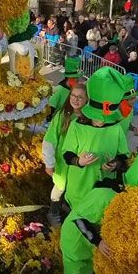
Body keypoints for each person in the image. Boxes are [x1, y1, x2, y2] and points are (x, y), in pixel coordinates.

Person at [58, 69, 131, 208]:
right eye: (97, 116)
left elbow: (123, 156)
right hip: (78, 188)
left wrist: (115, 164)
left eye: (105, 118)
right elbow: (67, 153)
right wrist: (79, 161)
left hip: (103, 190)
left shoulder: (116, 128)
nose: (101, 121)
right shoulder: (77, 126)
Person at [56, 187, 116, 274]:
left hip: (85, 244)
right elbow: (79, 220)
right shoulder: (108, 201)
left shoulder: (107, 193)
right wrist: (98, 242)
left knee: (90, 270)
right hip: (76, 243)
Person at [42, 83, 89, 225]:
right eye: (73, 96)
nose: (75, 99)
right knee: (60, 187)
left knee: (74, 187)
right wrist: (49, 163)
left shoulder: (89, 119)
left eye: (80, 97)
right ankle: (53, 211)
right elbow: (50, 140)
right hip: (62, 163)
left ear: (87, 100)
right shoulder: (63, 116)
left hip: (79, 163)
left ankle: (65, 205)